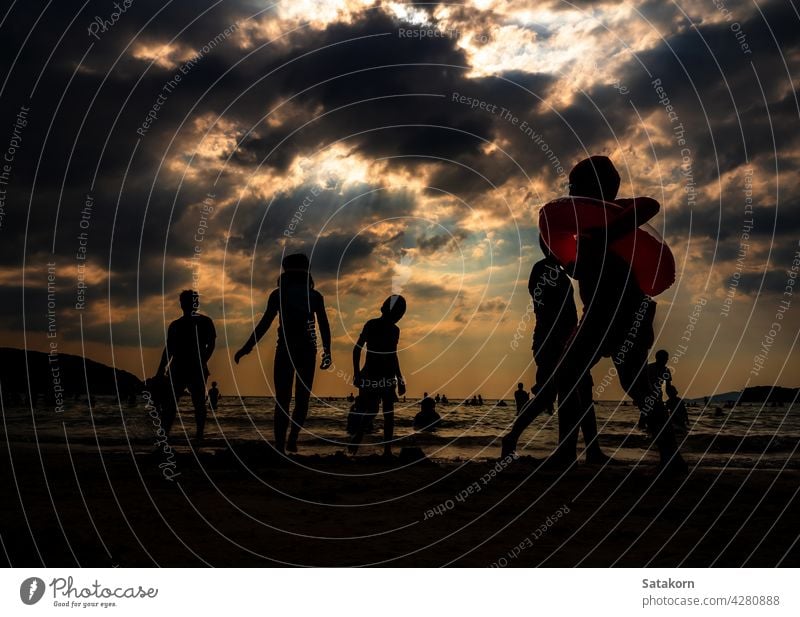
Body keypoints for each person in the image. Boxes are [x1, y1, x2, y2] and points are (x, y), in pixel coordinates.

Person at [546, 156, 685, 472]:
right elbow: (582, 272)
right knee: (606, 379)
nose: (570, 190)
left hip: (621, 312)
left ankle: (569, 453)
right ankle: (669, 455)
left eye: (575, 185)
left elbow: (650, 204)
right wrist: (562, 259)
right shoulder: (585, 230)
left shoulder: (614, 221)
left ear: (595, 188)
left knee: (597, 376)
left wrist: (608, 233)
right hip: (600, 312)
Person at [501, 246, 607, 463]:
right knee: (551, 395)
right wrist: (560, 341)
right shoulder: (543, 270)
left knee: (583, 392)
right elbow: (545, 308)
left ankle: (591, 450)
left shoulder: (559, 272)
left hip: (567, 342)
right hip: (552, 342)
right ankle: (515, 439)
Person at [234, 253, 332, 454]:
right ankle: (289, 441)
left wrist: (247, 346)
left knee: (284, 399)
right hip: (302, 351)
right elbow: (323, 326)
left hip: (291, 350)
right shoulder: (309, 295)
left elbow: (265, 324)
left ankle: (283, 444)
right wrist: (327, 351)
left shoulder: (284, 294)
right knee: (299, 399)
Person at [152, 289, 216, 441]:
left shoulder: (204, 322)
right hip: (179, 369)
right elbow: (169, 349)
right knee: (173, 405)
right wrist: (161, 370)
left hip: (192, 368)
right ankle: (167, 436)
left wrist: (202, 361)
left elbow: (211, 345)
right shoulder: (176, 325)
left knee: (196, 404)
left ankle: (197, 436)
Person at [349, 295, 407, 456]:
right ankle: (360, 435)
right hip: (372, 374)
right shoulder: (372, 325)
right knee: (375, 410)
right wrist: (356, 373)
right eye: (399, 314)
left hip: (385, 375)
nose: (399, 318)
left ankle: (386, 450)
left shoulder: (393, 330)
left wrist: (400, 379)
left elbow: (393, 355)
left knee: (386, 414)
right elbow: (357, 349)